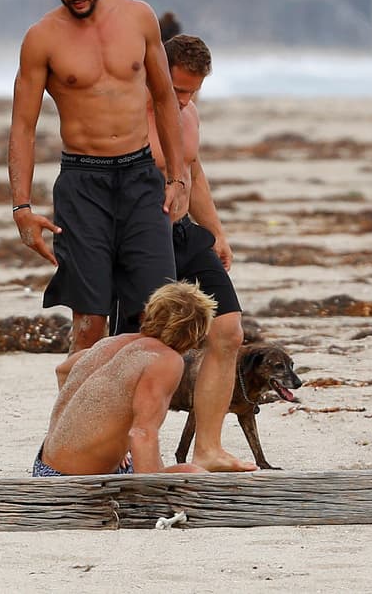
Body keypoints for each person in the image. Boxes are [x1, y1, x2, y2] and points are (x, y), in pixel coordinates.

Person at [9, 0, 189, 352]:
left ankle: (138, 400)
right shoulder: (41, 38)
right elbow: (22, 127)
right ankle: (79, 398)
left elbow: (165, 99)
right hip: (82, 182)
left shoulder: (139, 17)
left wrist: (178, 176)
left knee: (157, 314)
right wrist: (22, 207)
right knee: (89, 323)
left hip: (140, 177)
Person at [133, 32, 256, 472]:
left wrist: (216, 232)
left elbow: (193, 171)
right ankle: (131, 446)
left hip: (186, 232)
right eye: (177, 89)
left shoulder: (189, 114)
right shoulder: (129, 115)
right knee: (145, 342)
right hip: (143, 237)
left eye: (193, 91)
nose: (184, 100)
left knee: (228, 331)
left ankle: (209, 447)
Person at [34, 282, 214, 476]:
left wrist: (110, 441)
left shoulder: (111, 343)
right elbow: (142, 434)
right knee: (193, 473)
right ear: (194, 333)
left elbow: (63, 370)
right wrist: (156, 490)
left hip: (45, 469)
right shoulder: (166, 359)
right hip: (77, 482)